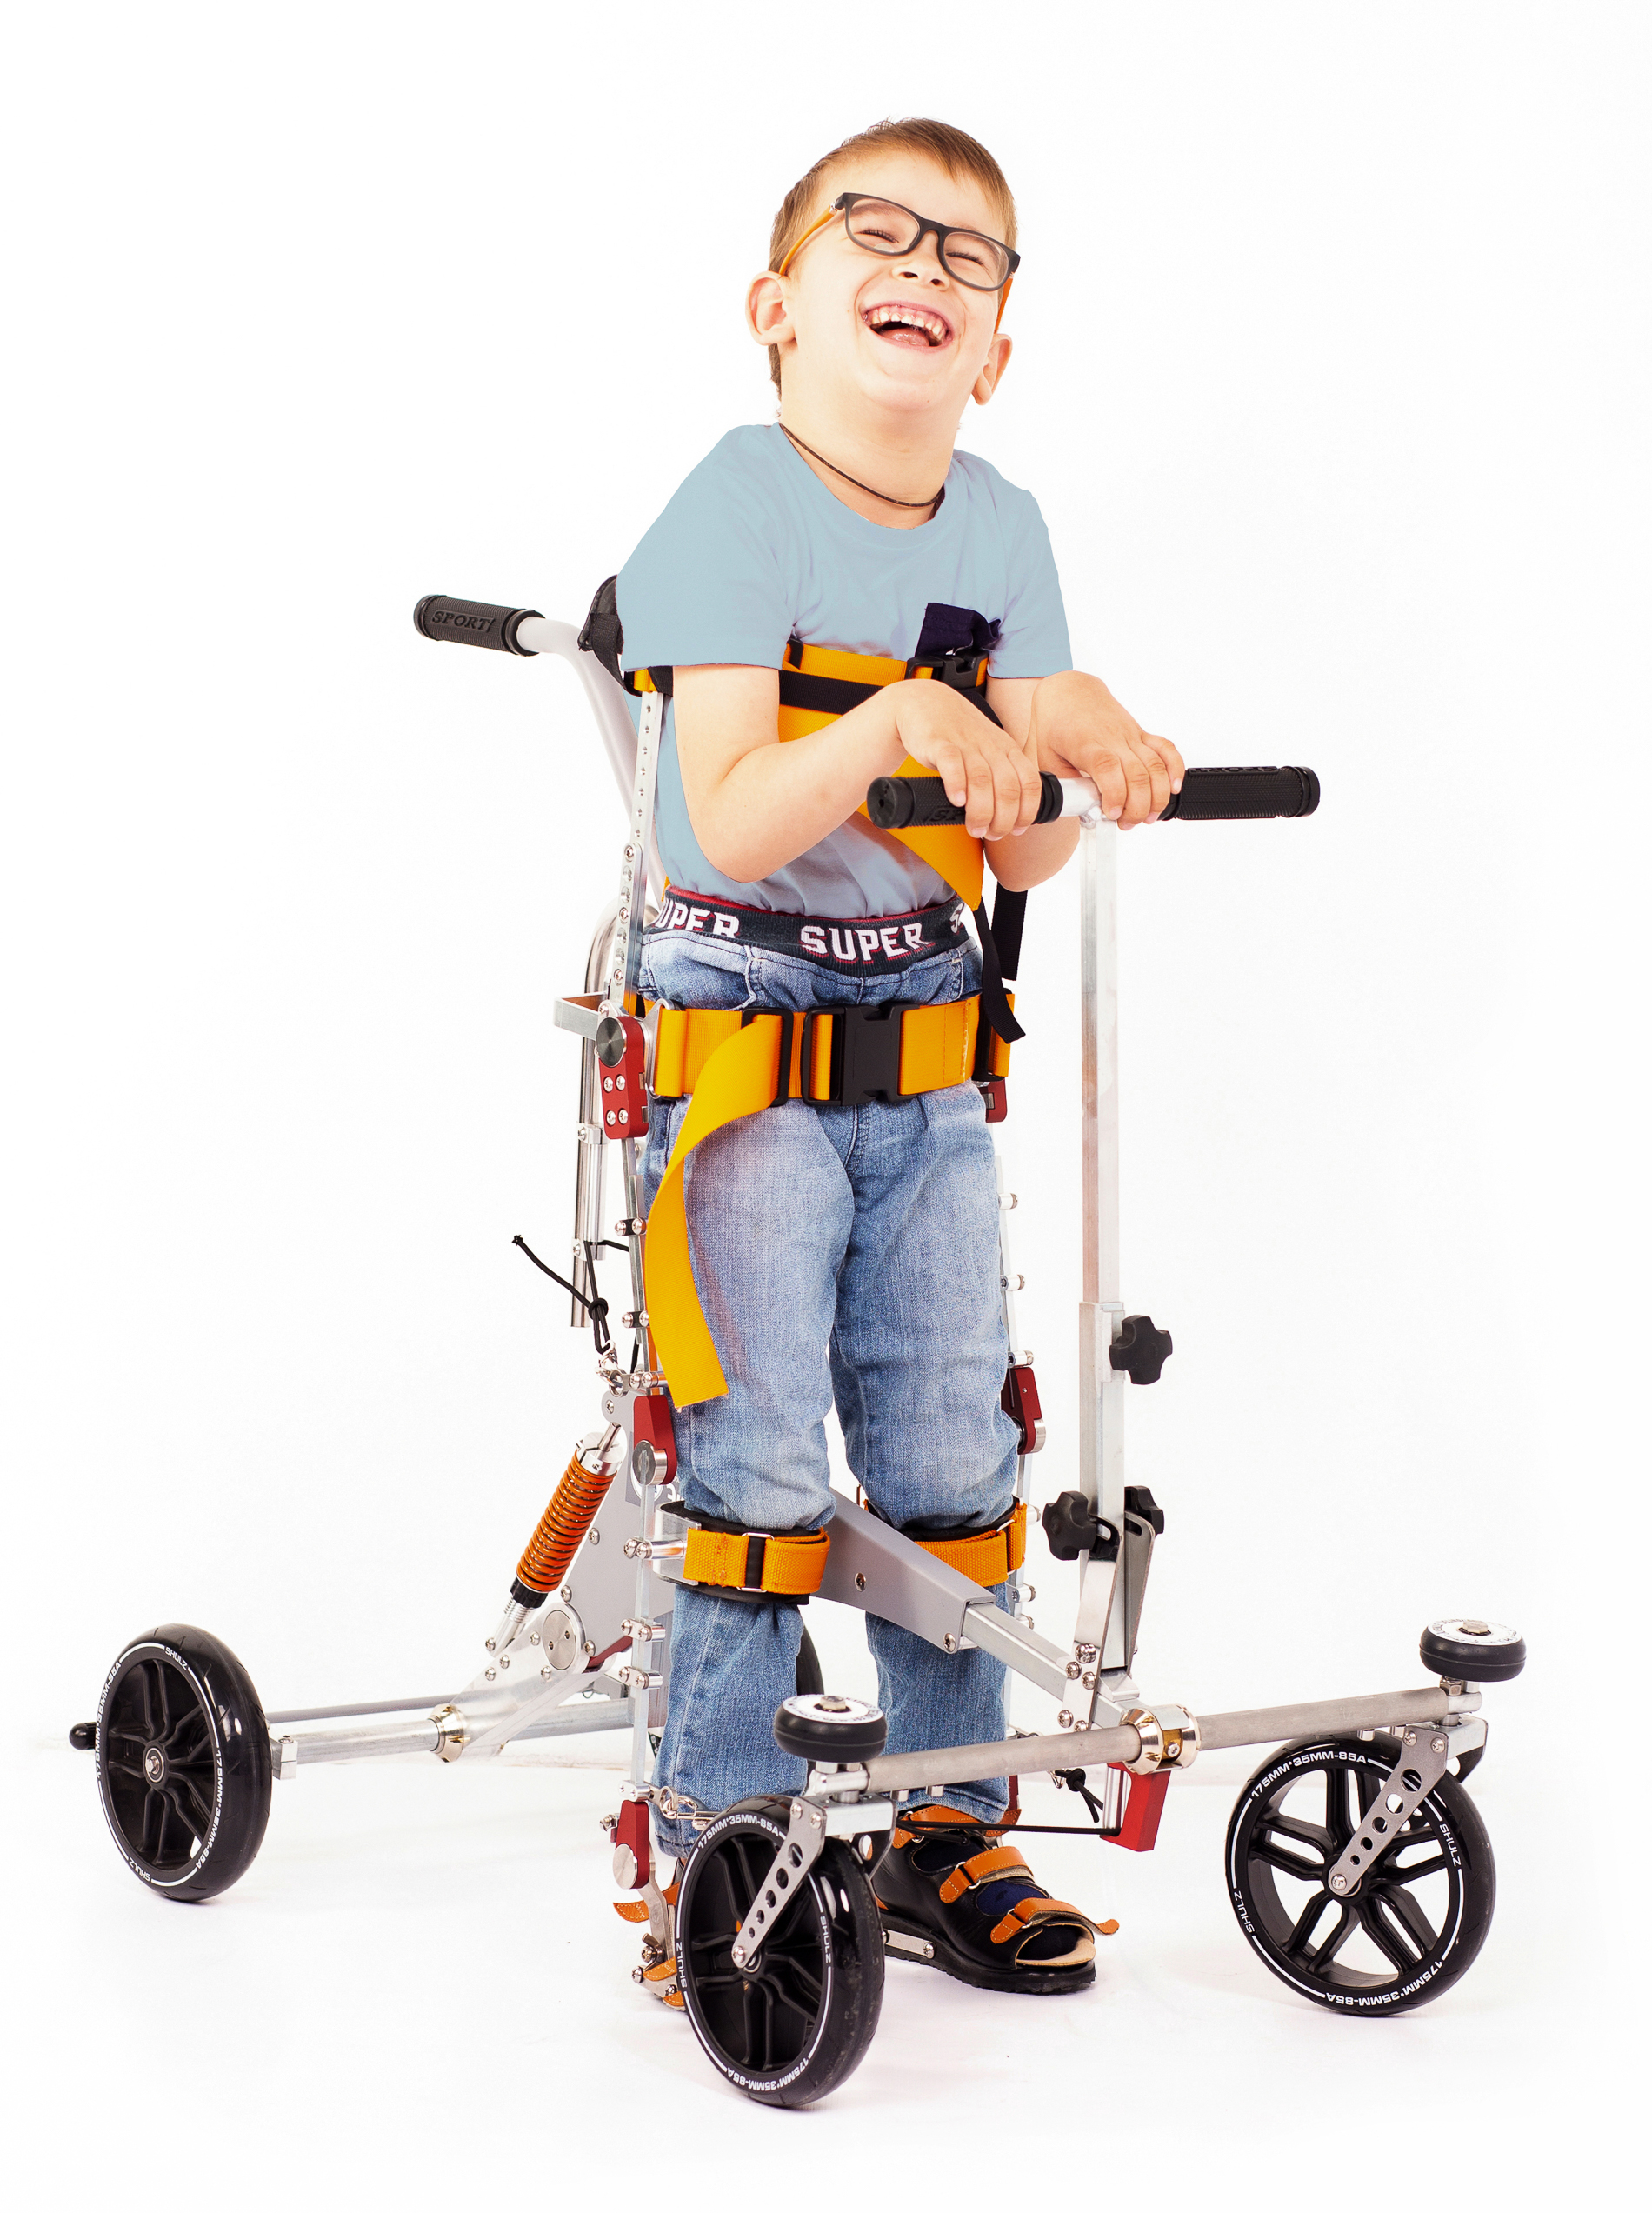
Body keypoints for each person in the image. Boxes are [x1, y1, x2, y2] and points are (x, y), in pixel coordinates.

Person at [615, 116, 1183, 1997]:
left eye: (968, 254)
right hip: (744, 1062)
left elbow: (1022, 831)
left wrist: (1081, 754)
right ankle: (721, 1844)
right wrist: (902, 726)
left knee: (954, 1452)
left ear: (996, 347)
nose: (924, 266)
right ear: (775, 308)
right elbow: (721, 821)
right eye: (880, 232)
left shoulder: (1002, 527)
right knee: (762, 1467)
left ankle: (945, 1825)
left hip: (925, 1069)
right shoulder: (736, 505)